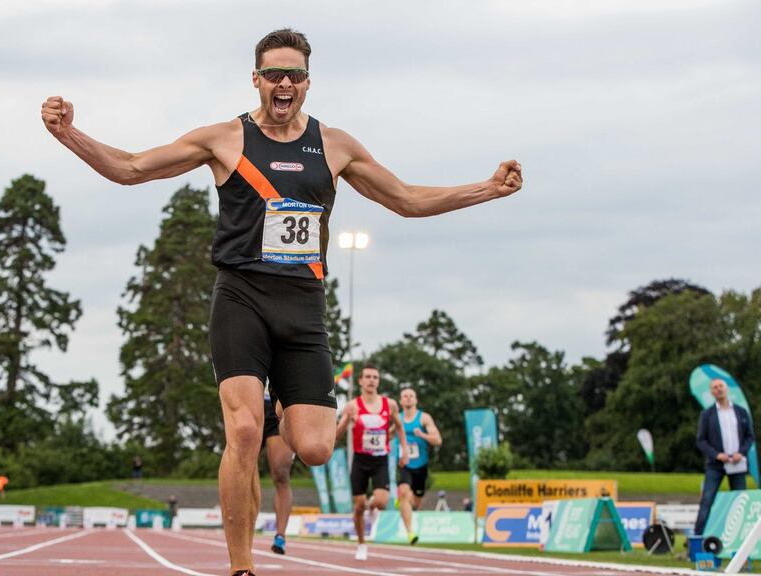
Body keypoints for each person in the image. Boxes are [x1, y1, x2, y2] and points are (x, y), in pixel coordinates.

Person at [42, 28, 522, 575]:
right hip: (241, 295)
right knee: (244, 432)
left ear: (308, 82)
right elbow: (130, 167)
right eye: (274, 74)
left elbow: (407, 200)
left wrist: (487, 188)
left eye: (294, 74)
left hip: (304, 306)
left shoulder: (335, 145)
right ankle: (241, 567)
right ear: (257, 80)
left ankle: (298, 411)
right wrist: (68, 133)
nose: (284, 82)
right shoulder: (224, 139)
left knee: (315, 448)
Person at [335, 364, 408, 560]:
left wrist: (405, 450)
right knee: (358, 507)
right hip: (360, 461)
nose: (371, 380)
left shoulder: (389, 404)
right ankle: (361, 544)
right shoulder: (352, 406)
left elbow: (399, 427)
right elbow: (337, 435)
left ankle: (373, 506)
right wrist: (346, 420)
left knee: (382, 502)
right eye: (367, 376)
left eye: (375, 377)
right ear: (360, 381)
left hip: (380, 460)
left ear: (378, 381)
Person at [694, 377, 755, 535]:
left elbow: (750, 436)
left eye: (721, 386)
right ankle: (697, 541)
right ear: (711, 392)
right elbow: (701, 440)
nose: (718, 389)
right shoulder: (707, 415)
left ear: (726, 388)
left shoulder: (741, 412)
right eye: (715, 387)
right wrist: (716, 454)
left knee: (740, 501)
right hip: (716, 465)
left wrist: (740, 453)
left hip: (737, 464)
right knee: (707, 501)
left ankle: (741, 539)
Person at [392, 388, 442, 544]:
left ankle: (403, 502)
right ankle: (410, 533)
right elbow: (386, 434)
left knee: (416, 501)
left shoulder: (424, 418)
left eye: (411, 396)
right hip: (403, 463)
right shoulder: (397, 419)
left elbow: (438, 440)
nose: (408, 398)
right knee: (405, 492)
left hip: (421, 465)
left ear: (416, 400)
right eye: (404, 396)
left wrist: (422, 435)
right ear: (400, 401)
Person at [261, 388, 295, 555]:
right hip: (249, 400)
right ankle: (240, 533)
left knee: (281, 474)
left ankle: (280, 536)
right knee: (244, 467)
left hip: (279, 403)